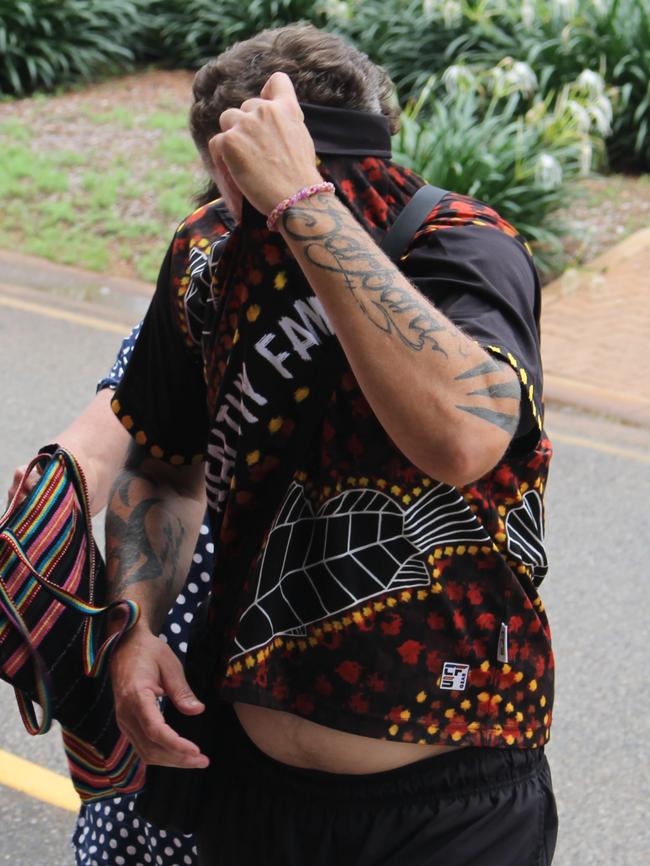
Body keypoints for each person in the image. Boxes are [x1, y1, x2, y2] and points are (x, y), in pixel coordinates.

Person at [106, 23, 557, 866]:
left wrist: (305, 205)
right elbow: (162, 464)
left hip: (446, 806)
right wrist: (137, 629)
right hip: (251, 789)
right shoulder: (206, 253)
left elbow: (463, 442)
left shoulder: (460, 243)